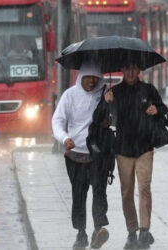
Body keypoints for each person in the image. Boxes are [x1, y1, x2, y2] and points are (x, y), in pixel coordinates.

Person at [103, 63, 168, 249]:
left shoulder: (148, 90)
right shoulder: (114, 92)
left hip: (145, 147)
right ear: (122, 71)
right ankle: (132, 231)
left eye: (134, 69)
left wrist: (157, 110)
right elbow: (105, 117)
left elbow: (163, 109)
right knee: (126, 192)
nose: (130, 72)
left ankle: (144, 230)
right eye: (127, 69)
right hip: (123, 149)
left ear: (139, 71)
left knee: (145, 187)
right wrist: (106, 101)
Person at [52, 61, 110, 249]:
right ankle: (81, 233)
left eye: (95, 78)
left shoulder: (106, 95)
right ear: (81, 78)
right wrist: (64, 138)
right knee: (79, 194)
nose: (92, 82)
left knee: (99, 192)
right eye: (88, 78)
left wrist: (110, 108)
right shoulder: (69, 95)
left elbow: (115, 119)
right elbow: (58, 121)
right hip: (75, 155)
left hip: (98, 155)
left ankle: (98, 229)